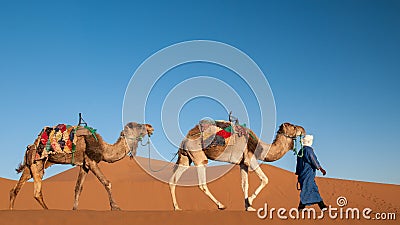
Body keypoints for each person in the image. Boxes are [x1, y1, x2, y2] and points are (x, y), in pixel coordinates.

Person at [295, 135, 327, 210]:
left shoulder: (301, 150)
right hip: (308, 173)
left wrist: (298, 172)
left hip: (302, 174)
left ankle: (322, 206)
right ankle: (301, 207)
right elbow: (313, 159)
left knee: (311, 188)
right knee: (308, 188)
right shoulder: (308, 150)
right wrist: (320, 168)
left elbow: (298, 163)